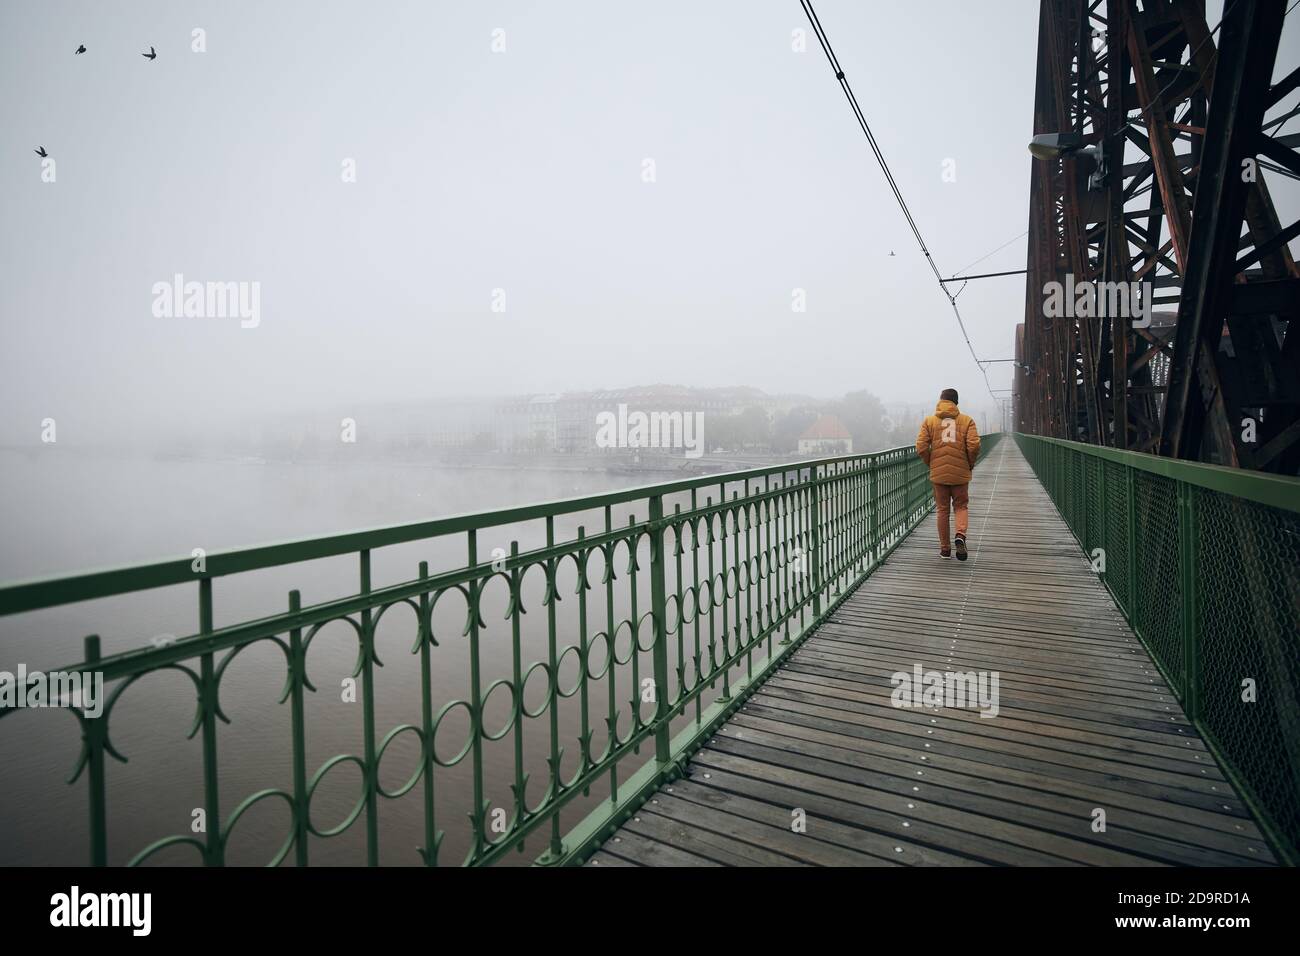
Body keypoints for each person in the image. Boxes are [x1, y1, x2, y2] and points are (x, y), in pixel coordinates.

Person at [915, 388, 981, 560]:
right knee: (961, 506)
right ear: (956, 403)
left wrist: (931, 462)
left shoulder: (929, 421)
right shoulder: (967, 421)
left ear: (941, 400)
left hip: (939, 475)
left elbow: (921, 447)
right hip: (960, 473)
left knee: (942, 510)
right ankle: (960, 535)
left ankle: (945, 549)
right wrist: (969, 463)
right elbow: (974, 446)